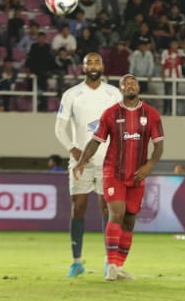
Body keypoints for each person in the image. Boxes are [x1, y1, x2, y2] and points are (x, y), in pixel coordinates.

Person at [72, 74, 163, 281]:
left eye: (133, 83)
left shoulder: (151, 114)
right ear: (120, 89)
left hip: (137, 175)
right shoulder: (111, 114)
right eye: (125, 84)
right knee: (116, 214)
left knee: (130, 220)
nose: (129, 86)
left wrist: (149, 165)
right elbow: (96, 141)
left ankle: (119, 266)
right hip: (114, 172)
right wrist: (82, 162)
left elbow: (159, 145)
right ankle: (110, 264)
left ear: (139, 87)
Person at [54, 52, 122, 278]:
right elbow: (59, 128)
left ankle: (108, 261)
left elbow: (122, 126)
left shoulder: (114, 93)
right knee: (78, 208)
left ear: (103, 66)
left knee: (107, 209)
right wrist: (73, 150)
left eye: (97, 62)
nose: (93, 66)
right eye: (89, 63)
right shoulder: (72, 95)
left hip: (108, 161)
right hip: (80, 161)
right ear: (82, 67)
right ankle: (76, 262)